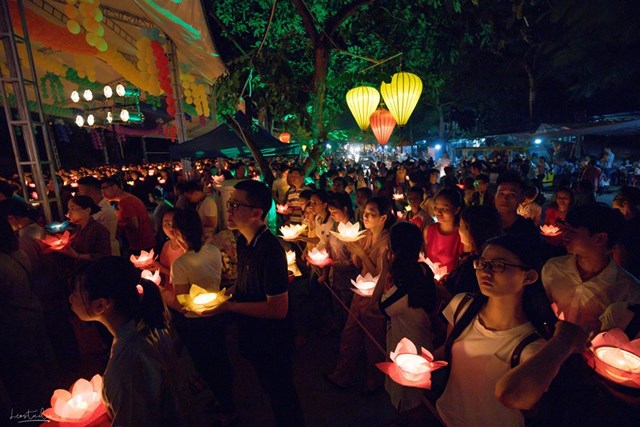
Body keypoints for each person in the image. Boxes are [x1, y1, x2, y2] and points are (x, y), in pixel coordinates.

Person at [436, 234, 583, 427]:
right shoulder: (461, 306)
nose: (485, 272)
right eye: (482, 263)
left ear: (528, 277)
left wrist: (563, 341)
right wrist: (420, 362)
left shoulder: (532, 345)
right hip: (446, 416)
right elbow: (448, 350)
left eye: (499, 265)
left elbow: (514, 396)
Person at [202, 180, 303, 426]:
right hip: (253, 332)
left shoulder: (270, 250)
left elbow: (278, 309)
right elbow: (246, 282)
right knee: (269, 387)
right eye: (229, 203)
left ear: (256, 213)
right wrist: (223, 295)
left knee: (282, 394)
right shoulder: (243, 241)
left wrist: (229, 307)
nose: (229, 210)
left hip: (273, 338)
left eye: (235, 205)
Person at [69, 256, 189, 425]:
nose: (70, 298)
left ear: (100, 305)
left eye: (75, 292)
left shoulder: (127, 364)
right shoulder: (148, 323)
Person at [164, 209, 236, 425]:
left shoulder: (181, 264)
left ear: (177, 233)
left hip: (195, 323)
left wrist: (160, 292)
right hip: (215, 313)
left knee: (206, 364)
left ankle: (228, 411)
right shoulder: (212, 250)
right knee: (220, 359)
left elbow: (182, 304)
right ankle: (225, 400)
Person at [326, 196, 394, 393]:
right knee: (350, 332)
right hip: (361, 289)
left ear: (383, 218)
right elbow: (358, 265)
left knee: (373, 340)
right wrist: (354, 249)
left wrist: (362, 254)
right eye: (365, 213)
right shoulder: (366, 235)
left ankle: (374, 382)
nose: (365, 217)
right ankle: (342, 374)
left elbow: (380, 275)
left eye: (371, 214)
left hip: (375, 295)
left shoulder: (386, 242)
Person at [542, 204, 640, 332]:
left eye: (573, 231)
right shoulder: (553, 268)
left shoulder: (628, 289)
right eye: (566, 229)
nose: (565, 235)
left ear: (599, 238)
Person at [373, 222, 436, 414]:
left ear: (393, 249)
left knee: (406, 394)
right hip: (423, 337)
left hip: (407, 346)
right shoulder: (424, 270)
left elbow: (374, 306)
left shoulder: (403, 286)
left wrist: (384, 270)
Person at [0, 217, 58, 418]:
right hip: (31, 312)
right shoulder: (17, 253)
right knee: (40, 361)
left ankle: (36, 413)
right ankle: (50, 403)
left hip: (12, 323)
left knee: (26, 371)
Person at [445, 205, 503, 295]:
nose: (458, 230)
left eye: (460, 225)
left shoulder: (475, 266)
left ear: (470, 229)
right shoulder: (494, 257)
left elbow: (460, 295)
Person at [100, 177, 155, 255]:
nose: (103, 193)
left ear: (115, 187)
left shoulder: (125, 201)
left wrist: (116, 224)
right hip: (146, 242)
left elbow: (134, 224)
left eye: (104, 189)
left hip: (141, 245)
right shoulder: (129, 198)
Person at [423, 189, 464, 279]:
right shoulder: (428, 230)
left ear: (456, 210)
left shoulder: (462, 235)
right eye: (436, 207)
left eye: (445, 209)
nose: (438, 212)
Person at [59, 196, 112, 262]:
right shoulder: (77, 228)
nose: (69, 213)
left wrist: (77, 256)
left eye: (73, 208)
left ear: (87, 210)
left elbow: (104, 256)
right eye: (69, 209)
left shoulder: (99, 230)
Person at [78, 176, 120, 256]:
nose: (79, 194)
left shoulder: (104, 211)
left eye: (80, 191)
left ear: (91, 192)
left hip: (106, 253)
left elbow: (97, 236)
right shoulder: (94, 207)